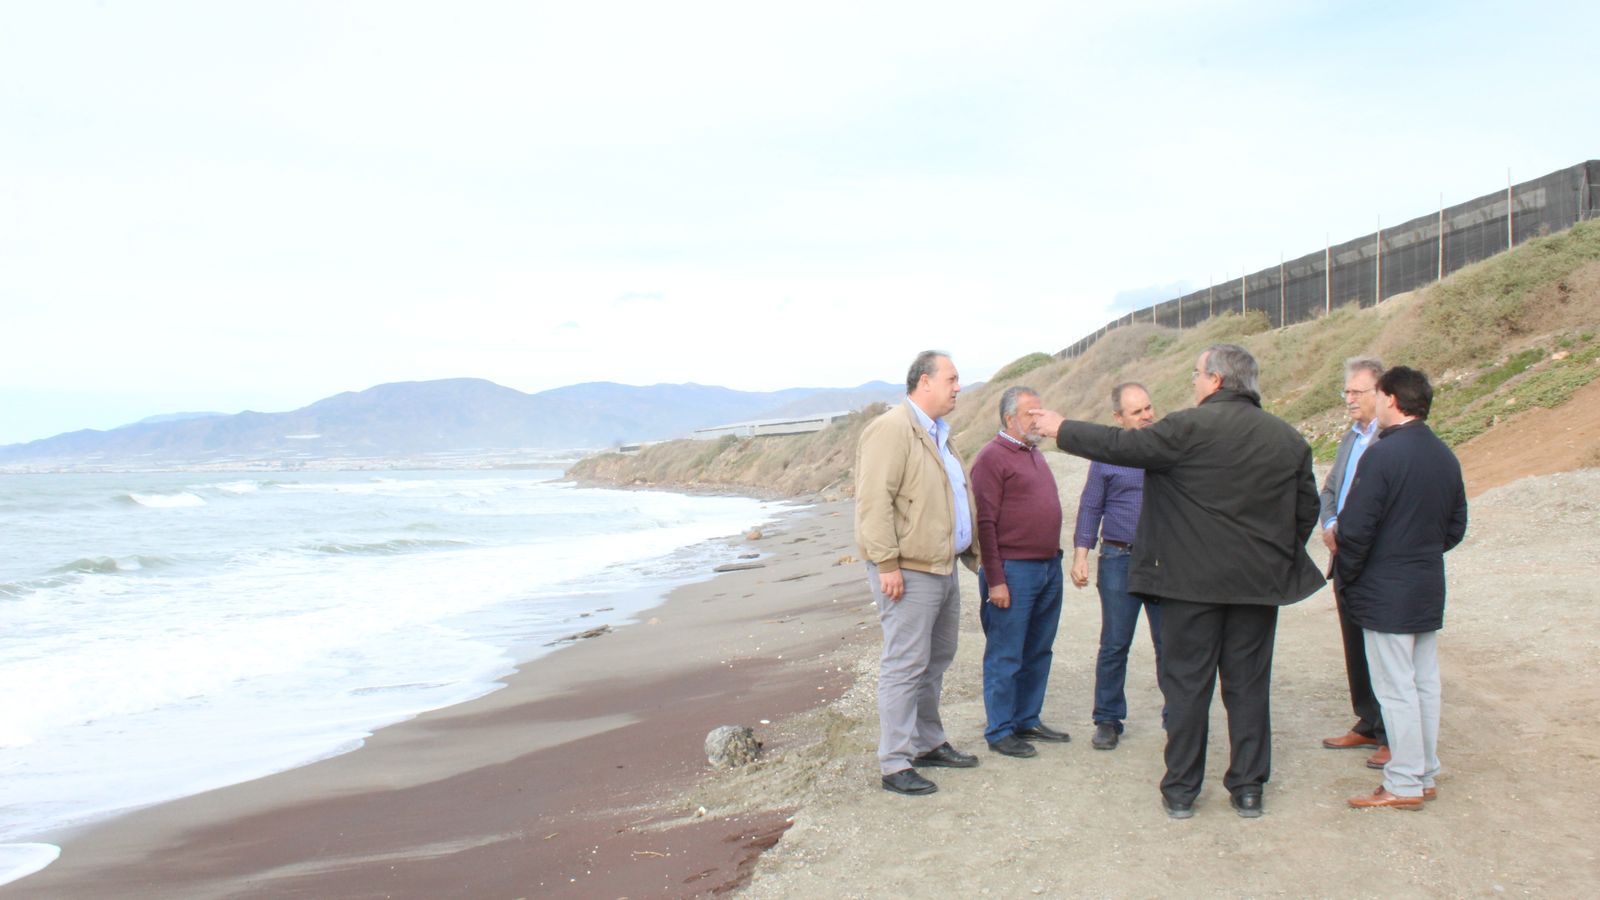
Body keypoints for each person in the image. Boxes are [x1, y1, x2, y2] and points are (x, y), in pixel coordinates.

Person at [1031, 344, 1324, 819]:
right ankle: (1248, 788)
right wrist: (1269, 555)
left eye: (1196, 374)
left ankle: (1183, 790)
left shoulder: (1187, 428)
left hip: (1190, 586)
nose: (1193, 382)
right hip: (1256, 586)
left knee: (1187, 687)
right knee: (1249, 687)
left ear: (1216, 380)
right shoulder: (1287, 438)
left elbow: (1121, 446)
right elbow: (1306, 510)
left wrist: (1061, 427)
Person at [1337, 366, 1468, 811]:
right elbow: (1455, 527)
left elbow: (1356, 528)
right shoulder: (1444, 454)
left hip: (1386, 589)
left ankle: (1405, 781)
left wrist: (1352, 572)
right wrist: (1417, 550)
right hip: (1425, 583)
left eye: (1377, 395)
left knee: (1396, 689)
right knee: (1424, 683)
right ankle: (1423, 772)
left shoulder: (1382, 455)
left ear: (1391, 399)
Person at [855, 350, 982, 796]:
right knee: (905, 664)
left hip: (941, 566)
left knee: (936, 658)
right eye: (951, 378)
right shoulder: (892, 429)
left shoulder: (939, 433)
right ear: (924, 382)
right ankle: (894, 763)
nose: (958, 387)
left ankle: (928, 743)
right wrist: (886, 563)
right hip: (908, 570)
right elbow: (873, 500)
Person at [970, 386, 1068, 759]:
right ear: (1010, 418)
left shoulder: (1034, 454)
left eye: (1041, 412)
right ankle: (1000, 730)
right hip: (1013, 570)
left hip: (1047, 566)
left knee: (1039, 648)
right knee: (1005, 653)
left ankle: (1027, 718)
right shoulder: (991, 458)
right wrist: (996, 579)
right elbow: (985, 523)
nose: (1039, 419)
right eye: (1031, 413)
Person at [1070, 382, 1163, 752]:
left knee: (1170, 644)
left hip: (1162, 561)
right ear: (1119, 418)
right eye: (1137, 412)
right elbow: (1091, 505)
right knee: (1114, 643)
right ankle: (1107, 719)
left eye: (1148, 408)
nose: (1146, 416)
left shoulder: (1167, 447)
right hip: (1118, 559)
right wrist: (1081, 555)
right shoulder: (1107, 456)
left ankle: (1178, 716)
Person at [1319, 357, 1390, 767]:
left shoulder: (1390, 439)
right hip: (1343, 555)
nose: (1348, 398)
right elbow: (1330, 489)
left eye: (1356, 391)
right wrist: (1331, 523)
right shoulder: (1350, 438)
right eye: (1346, 391)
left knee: (1383, 649)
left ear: (1380, 394)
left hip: (1374, 559)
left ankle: (1390, 733)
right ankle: (1367, 721)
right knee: (1355, 644)